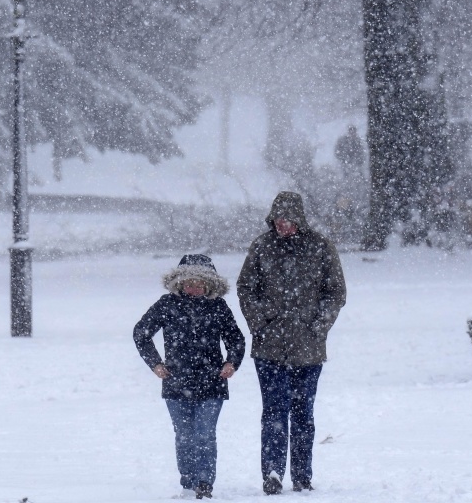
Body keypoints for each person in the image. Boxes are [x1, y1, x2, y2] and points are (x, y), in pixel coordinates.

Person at [238, 192, 346, 495]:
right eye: (278, 219)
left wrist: (318, 327)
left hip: (308, 349)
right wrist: (260, 323)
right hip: (269, 348)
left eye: (287, 219)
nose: (282, 224)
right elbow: (246, 288)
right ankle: (272, 474)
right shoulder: (261, 246)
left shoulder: (321, 246)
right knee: (273, 412)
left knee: (302, 414)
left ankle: (302, 475)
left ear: (298, 218)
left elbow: (335, 292)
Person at [134, 254, 246, 500]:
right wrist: (155, 364)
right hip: (176, 382)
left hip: (212, 382)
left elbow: (236, 339)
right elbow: (141, 333)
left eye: (199, 283)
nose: (193, 287)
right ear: (179, 282)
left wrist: (231, 363)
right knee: (184, 436)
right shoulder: (166, 305)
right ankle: (188, 482)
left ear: (210, 285)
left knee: (205, 434)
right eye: (189, 282)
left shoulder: (218, 307)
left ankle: (205, 483)